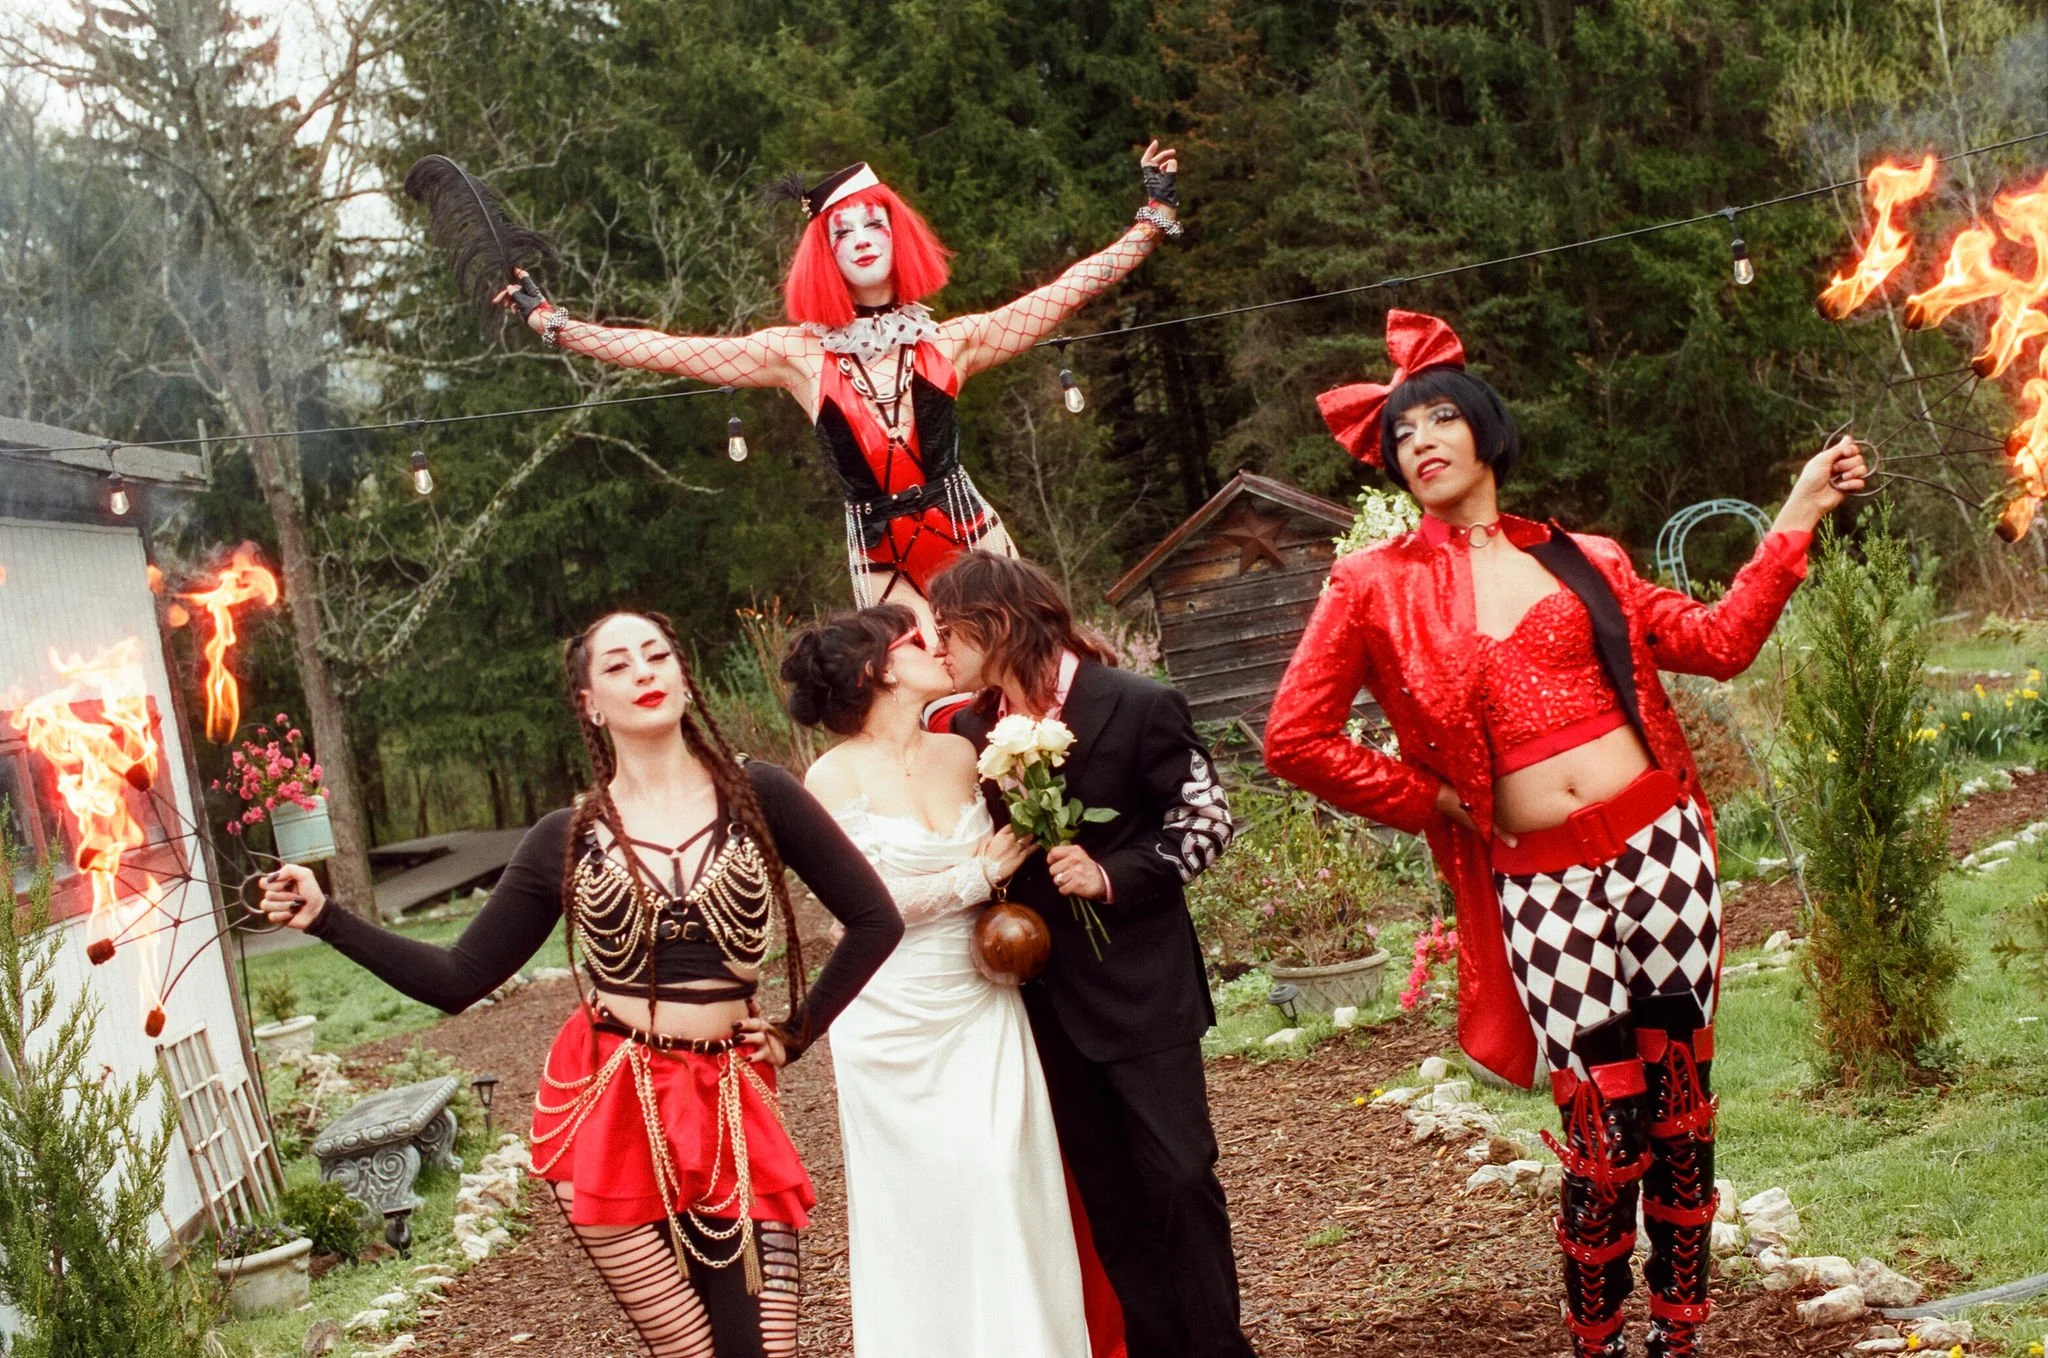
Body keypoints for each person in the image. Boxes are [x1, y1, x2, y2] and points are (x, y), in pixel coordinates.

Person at [1262, 310, 1868, 1358]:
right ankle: (1593, 1339)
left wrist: (1796, 512)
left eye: (1441, 419)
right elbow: (1294, 737)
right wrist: (1432, 799)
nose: (1422, 442)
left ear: (1486, 432)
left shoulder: (1585, 556)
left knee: (1679, 1097)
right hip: (1537, 880)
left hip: (1659, 847)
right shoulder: (1372, 585)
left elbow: (1717, 644)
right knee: (1601, 1122)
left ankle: (1677, 1334)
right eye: (1402, 435)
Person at [259, 611, 903, 1358]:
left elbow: (872, 917)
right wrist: (325, 917)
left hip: (729, 1102)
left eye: (659, 655)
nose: (646, 673)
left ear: (684, 677)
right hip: (613, 1105)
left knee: (763, 1348)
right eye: (621, 665)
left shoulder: (760, 795)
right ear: (590, 703)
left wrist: (798, 1030)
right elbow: (457, 978)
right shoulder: (565, 838)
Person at [490, 145, 1185, 628]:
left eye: (872, 221)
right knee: (917, 691)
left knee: (1022, 669)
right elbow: (670, 351)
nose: (859, 237)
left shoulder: (949, 341)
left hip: (970, 530)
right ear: (822, 252)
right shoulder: (797, 355)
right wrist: (558, 324)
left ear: (896, 232)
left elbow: (1062, 293)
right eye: (840, 229)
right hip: (878, 546)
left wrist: (1148, 223)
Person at [924, 551, 1250, 1358]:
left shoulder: (1139, 703)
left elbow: (1207, 824)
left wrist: (1111, 875)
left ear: (995, 623)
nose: (939, 648)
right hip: (1043, 1000)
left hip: (1145, 989)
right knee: (1108, 1195)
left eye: (948, 629)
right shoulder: (969, 728)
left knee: (1179, 1179)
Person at [777, 602, 1089, 1357]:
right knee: (926, 1205)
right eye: (918, 640)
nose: (937, 647)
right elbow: (861, 908)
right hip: (889, 1013)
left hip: (981, 995)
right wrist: (978, 873)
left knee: (1007, 1179)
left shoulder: (964, 752)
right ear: (878, 669)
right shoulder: (829, 776)